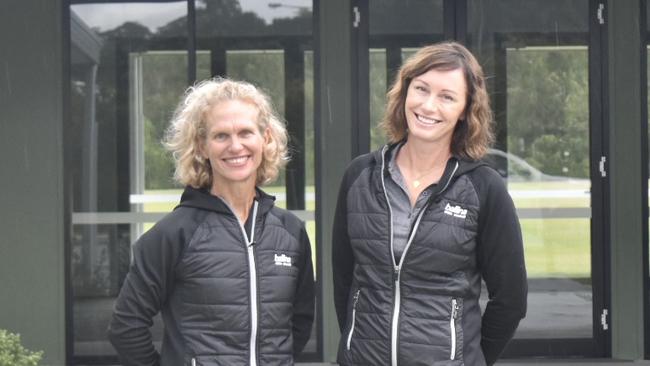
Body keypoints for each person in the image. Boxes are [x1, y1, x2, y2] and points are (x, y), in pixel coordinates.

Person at [332, 42, 527, 366]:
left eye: (447, 97)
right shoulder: (360, 176)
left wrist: (470, 358)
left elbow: (510, 300)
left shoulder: (483, 187)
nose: (428, 105)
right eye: (421, 89)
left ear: (465, 109)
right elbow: (343, 280)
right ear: (405, 91)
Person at [108, 78, 315, 366]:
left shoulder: (290, 232)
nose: (235, 146)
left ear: (265, 138)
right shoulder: (174, 234)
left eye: (245, 132)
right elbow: (126, 326)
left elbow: (300, 321)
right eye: (220, 136)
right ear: (202, 146)